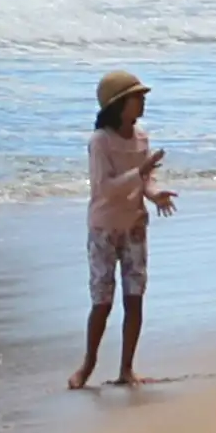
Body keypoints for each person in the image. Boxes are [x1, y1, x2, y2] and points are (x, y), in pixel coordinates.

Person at [71, 69, 176, 390]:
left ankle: (126, 368)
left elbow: (144, 180)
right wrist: (140, 172)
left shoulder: (141, 137)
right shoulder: (100, 142)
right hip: (104, 228)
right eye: (137, 98)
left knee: (135, 297)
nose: (142, 103)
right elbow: (105, 189)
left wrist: (154, 193)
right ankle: (87, 365)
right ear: (118, 104)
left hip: (134, 226)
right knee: (102, 301)